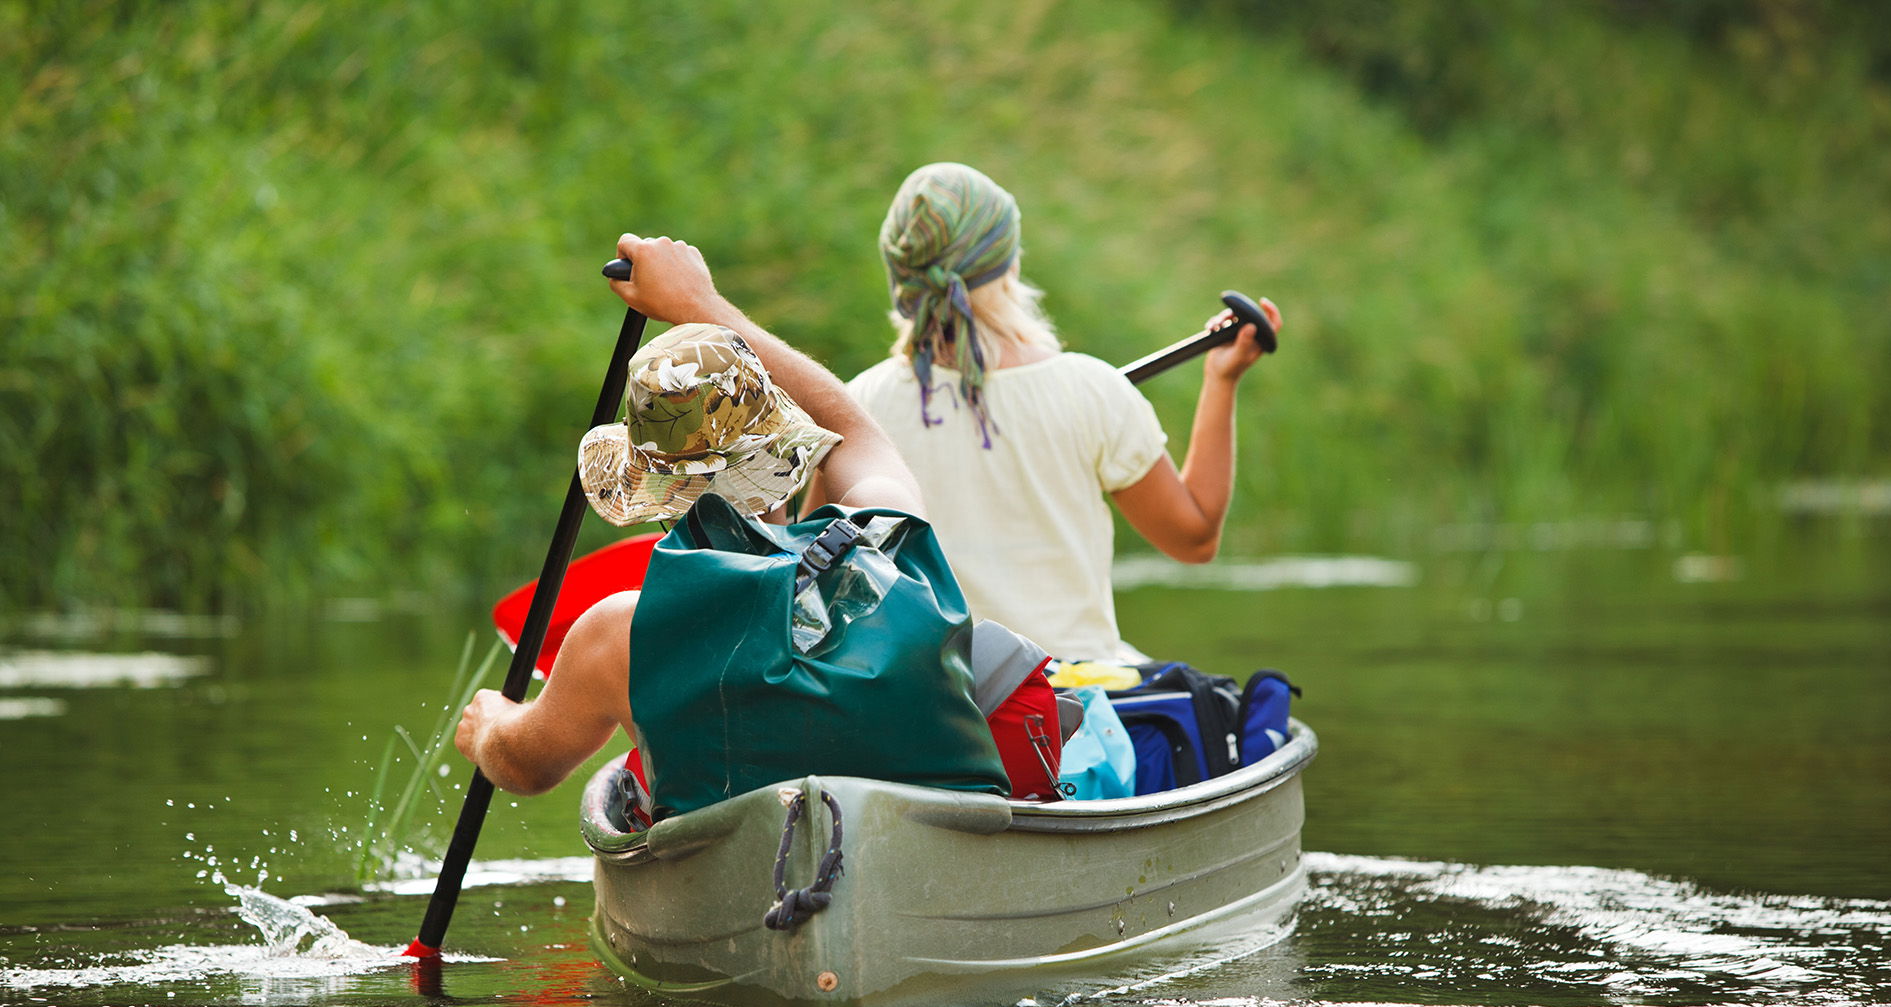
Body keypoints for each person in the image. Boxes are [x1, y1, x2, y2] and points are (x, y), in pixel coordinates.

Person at [456, 236, 927, 796]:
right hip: (915, 821)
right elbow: (853, 430)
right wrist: (699, 303)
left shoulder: (622, 631)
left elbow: (525, 767)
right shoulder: (882, 528)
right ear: (789, 452)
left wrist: (490, 727)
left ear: (655, 496)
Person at [845, 162, 1282, 664]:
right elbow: (1195, 538)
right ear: (1007, 264)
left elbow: (822, 561)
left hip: (933, 701)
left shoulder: (859, 404)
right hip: (1071, 708)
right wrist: (1221, 379)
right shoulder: (1091, 389)